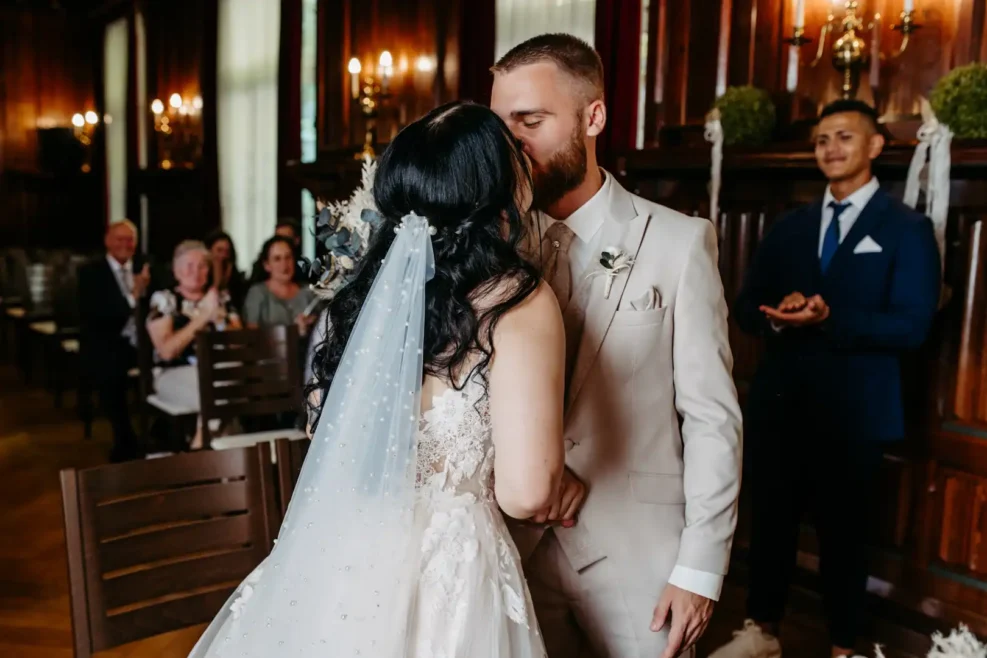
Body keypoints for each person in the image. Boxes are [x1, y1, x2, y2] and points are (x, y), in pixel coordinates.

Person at [188, 101, 566, 658]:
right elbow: (526, 491)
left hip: (345, 556)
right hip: (449, 568)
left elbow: (328, 444)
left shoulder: (355, 303)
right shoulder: (517, 301)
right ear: (495, 189)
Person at [490, 33, 743, 658]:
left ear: (593, 116)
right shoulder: (490, 251)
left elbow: (712, 419)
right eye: (501, 125)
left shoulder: (680, 244)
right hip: (510, 552)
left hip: (642, 559)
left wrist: (699, 569)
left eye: (532, 120)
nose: (512, 144)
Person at [717, 100, 941, 658]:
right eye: (820, 140)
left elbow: (913, 326)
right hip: (779, 402)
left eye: (843, 136)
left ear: (874, 146)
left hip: (857, 414)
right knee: (770, 527)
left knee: (846, 539)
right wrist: (776, 311)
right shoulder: (790, 226)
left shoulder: (906, 228)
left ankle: (844, 644)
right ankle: (760, 631)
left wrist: (830, 317)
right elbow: (745, 306)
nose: (830, 149)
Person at [146, 240, 242, 450]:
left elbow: (239, 346)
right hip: (173, 374)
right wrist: (203, 317)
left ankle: (200, 446)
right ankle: (207, 455)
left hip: (220, 375)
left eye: (202, 265)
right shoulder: (165, 300)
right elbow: (167, 351)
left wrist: (219, 319)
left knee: (224, 390)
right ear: (176, 270)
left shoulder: (221, 298)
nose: (195, 271)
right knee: (224, 400)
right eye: (188, 265)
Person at [78, 220, 151, 462]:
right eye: (119, 239)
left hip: (144, 341)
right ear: (107, 241)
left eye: (130, 239)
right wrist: (133, 297)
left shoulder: (145, 267)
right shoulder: (90, 272)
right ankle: (124, 439)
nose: (125, 244)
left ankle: (158, 433)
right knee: (110, 368)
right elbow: (98, 315)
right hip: (106, 342)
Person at [242, 235, 316, 337]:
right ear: (267, 265)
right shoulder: (257, 293)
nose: (284, 264)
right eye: (277, 259)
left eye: (288, 257)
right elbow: (252, 336)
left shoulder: (308, 292)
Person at [204, 229, 247, 310]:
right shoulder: (200, 278)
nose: (223, 256)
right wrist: (217, 281)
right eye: (219, 250)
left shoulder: (236, 280)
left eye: (226, 252)